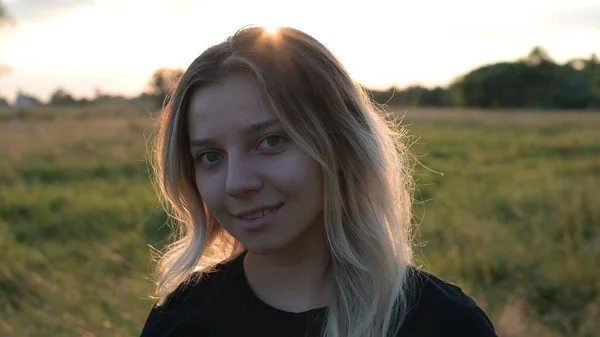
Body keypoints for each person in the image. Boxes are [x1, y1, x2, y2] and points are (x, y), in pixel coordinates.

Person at [140, 25, 497, 337]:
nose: (237, 183)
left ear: (343, 144)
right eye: (210, 156)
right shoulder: (179, 321)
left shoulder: (445, 324)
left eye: (271, 141)